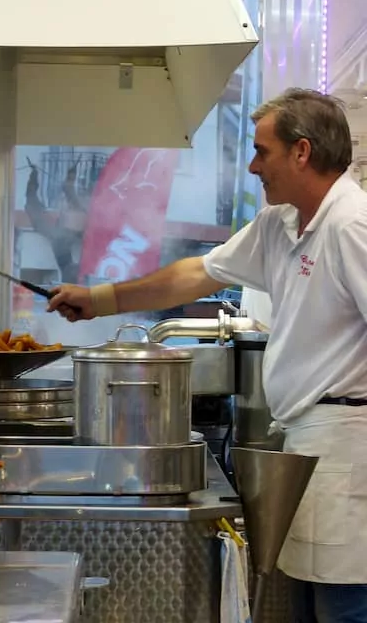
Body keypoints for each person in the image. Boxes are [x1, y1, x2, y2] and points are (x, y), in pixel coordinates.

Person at [48, 87, 367, 622]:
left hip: (347, 445)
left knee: (345, 606)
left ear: (302, 152)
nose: (251, 166)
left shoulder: (350, 225)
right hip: (308, 443)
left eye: (262, 151)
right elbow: (197, 273)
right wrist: (102, 299)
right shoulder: (282, 222)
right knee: (314, 606)